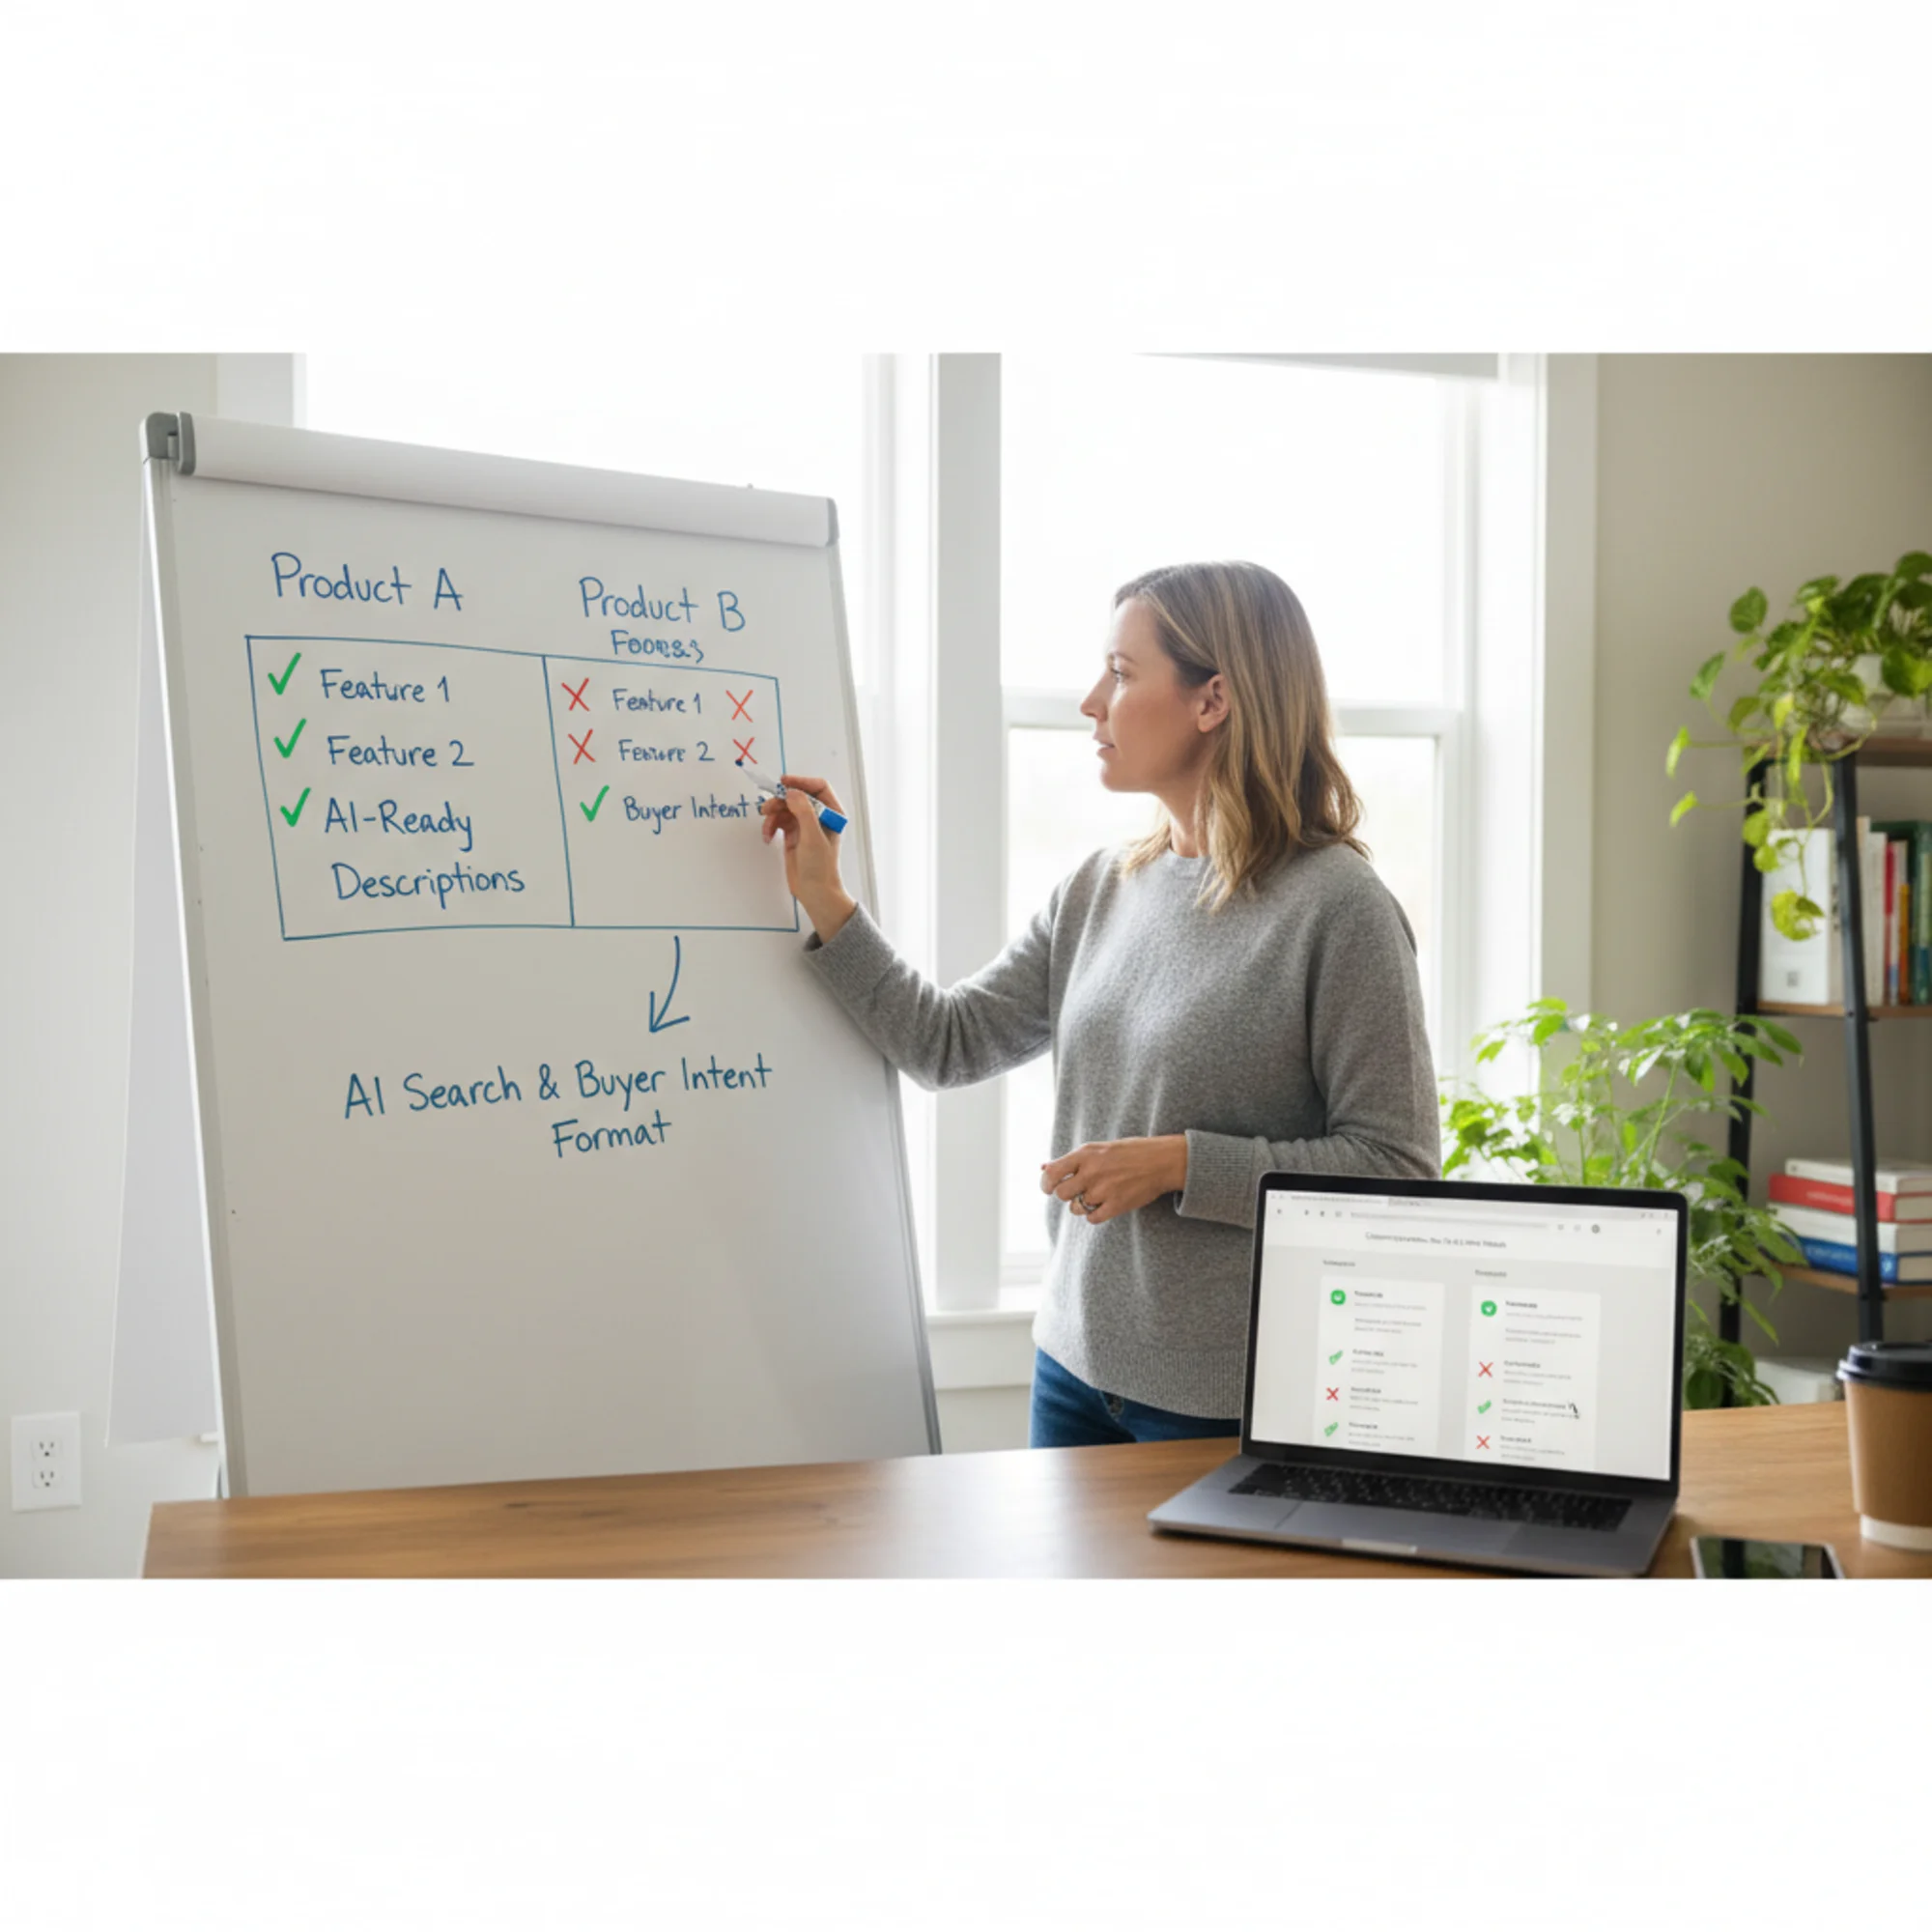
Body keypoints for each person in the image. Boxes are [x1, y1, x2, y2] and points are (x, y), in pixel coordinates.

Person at [760, 559, 1439, 1448]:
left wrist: (1181, 1165)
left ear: (1213, 700)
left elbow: (1397, 1172)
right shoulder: (1100, 887)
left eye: (1120, 673)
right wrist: (825, 897)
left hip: (1226, 1402)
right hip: (1072, 1368)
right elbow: (948, 1044)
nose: (1091, 702)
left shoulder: (1340, 909)